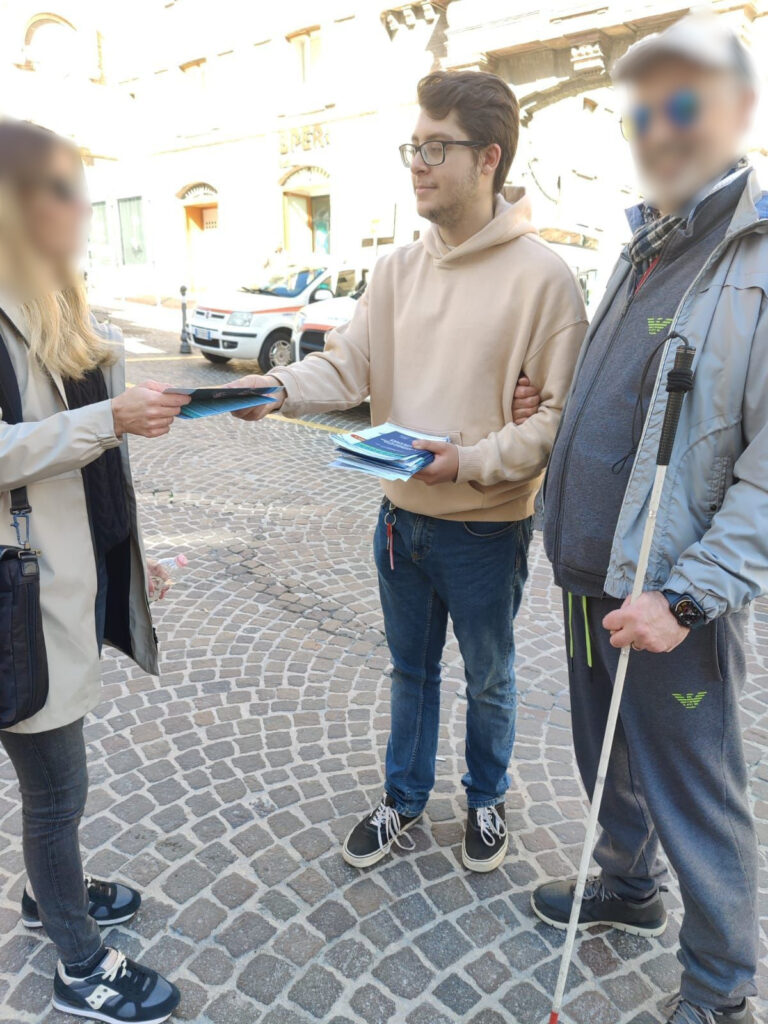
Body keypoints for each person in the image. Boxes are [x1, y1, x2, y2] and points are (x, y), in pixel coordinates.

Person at [229, 71, 587, 873]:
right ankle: (403, 801)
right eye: (412, 148)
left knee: (489, 680)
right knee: (410, 674)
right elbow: (349, 366)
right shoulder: (394, 270)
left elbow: (556, 420)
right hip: (400, 521)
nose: (417, 164)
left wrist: (469, 460)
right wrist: (279, 386)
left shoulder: (545, 280)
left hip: (487, 530)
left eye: (436, 148)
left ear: (488, 157)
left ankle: (486, 800)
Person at [520, 15, 765, 1024]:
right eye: (641, 110)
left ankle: (718, 989)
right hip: (590, 575)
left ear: (735, 112)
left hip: (672, 594)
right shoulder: (642, 244)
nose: (655, 128)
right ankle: (626, 886)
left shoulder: (752, 257)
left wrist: (692, 592)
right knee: (603, 756)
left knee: (697, 796)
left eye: (680, 105)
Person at [0, 119, 189, 1023]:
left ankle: (51, 894)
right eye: (61, 191)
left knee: (58, 788)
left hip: (67, 581)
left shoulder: (54, 298)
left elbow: (103, 431)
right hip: (19, 602)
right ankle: (77, 963)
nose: (81, 209)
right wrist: (108, 417)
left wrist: (133, 558)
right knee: (57, 788)